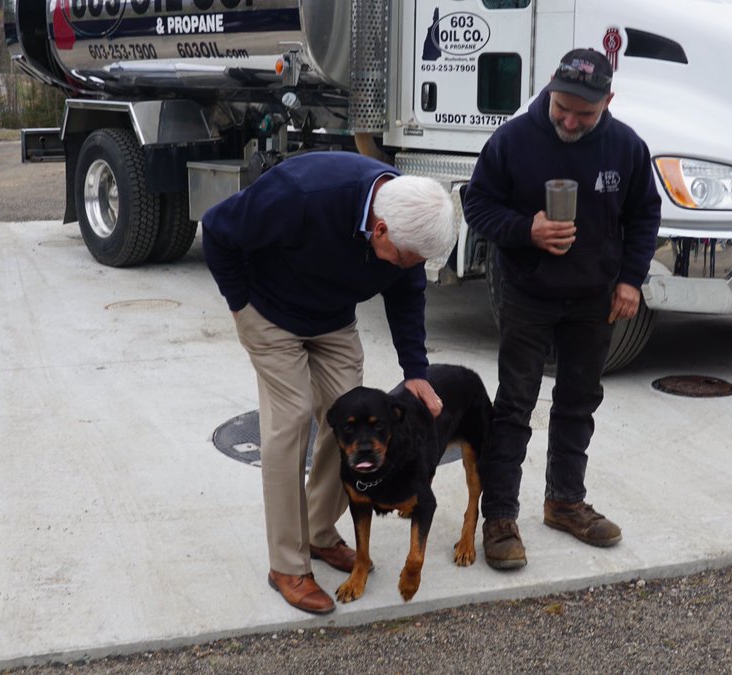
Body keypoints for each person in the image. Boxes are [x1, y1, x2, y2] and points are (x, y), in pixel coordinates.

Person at [202, 151, 457, 613]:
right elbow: (217, 228)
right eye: (404, 258)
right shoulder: (303, 194)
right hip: (269, 313)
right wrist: (240, 304)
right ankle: (287, 565)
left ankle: (318, 532)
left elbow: (407, 292)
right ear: (379, 231)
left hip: (333, 321)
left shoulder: (407, 220)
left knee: (347, 420)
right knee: (291, 419)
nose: (406, 267)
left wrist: (415, 371)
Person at [462, 48, 662, 570]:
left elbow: (645, 214)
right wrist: (525, 230)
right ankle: (500, 517)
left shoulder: (625, 147)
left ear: (608, 101)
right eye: (561, 109)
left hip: (594, 295)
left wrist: (630, 281)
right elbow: (477, 204)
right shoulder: (513, 140)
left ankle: (564, 502)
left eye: (584, 114)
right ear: (549, 90)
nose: (570, 122)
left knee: (579, 401)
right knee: (515, 404)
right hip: (528, 291)